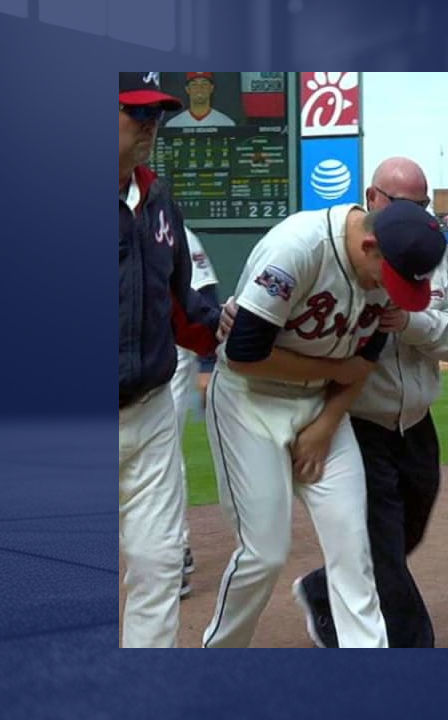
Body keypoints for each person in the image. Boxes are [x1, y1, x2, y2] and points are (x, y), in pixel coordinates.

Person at [202, 199, 446, 648]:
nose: (388, 290)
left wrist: (327, 423)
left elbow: (364, 361)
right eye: (388, 278)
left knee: (356, 553)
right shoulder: (298, 248)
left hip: (322, 405)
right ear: (369, 245)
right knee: (263, 555)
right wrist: (334, 371)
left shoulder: (385, 267)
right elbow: (243, 355)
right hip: (249, 404)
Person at [295, 157, 448, 647]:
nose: (417, 214)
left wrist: (412, 321)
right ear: (373, 198)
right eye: (403, 204)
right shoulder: (342, 252)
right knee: (384, 548)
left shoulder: (439, 256)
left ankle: (323, 588)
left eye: (423, 204)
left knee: (408, 533)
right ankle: (412, 647)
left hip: (416, 422)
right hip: (358, 422)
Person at [119, 72, 221, 648]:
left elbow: (185, 306)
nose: (150, 125)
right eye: (137, 113)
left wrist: (240, 337)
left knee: (158, 569)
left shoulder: (158, 200)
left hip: (152, 408)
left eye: (156, 114)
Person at [167, 226, 221, 599]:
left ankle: (173, 550)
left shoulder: (168, 226)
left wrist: (207, 362)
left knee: (160, 452)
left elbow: (204, 293)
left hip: (167, 350)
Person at [165, 73, 236, 128]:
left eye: (204, 84)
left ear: (211, 88)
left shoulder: (226, 123)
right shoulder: (173, 124)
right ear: (187, 89)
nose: (199, 88)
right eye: (194, 84)